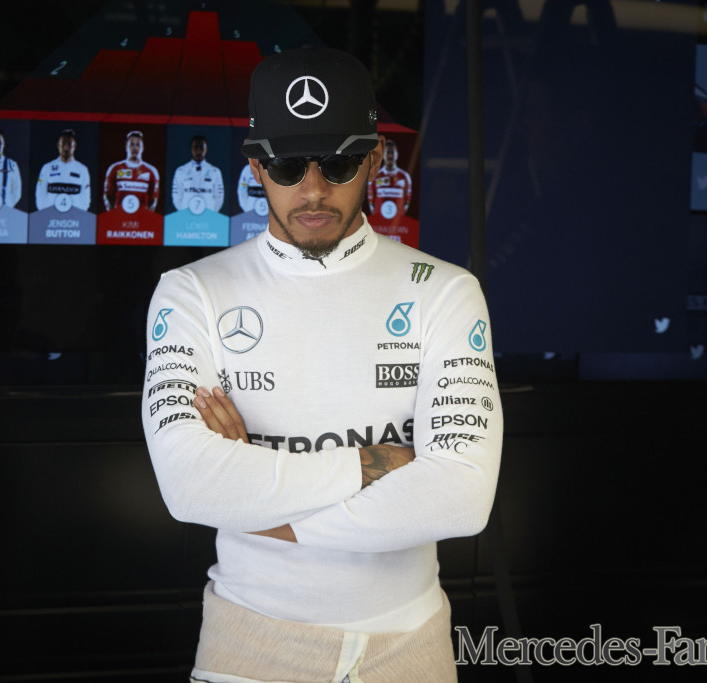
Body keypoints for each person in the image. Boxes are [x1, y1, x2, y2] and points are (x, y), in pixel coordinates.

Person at [142, 47, 502, 682]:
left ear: (375, 158)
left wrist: (256, 503)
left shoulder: (445, 291)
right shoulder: (190, 292)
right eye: (286, 165)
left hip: (412, 646)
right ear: (256, 166)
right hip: (248, 642)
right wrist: (377, 463)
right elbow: (191, 487)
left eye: (338, 163)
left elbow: (461, 501)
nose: (312, 189)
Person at [103, 130, 159, 212]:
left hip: (142, 217)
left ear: (143, 148)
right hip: (120, 216)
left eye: (138, 145)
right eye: (132, 144)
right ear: (126, 147)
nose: (135, 148)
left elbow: (154, 199)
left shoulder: (151, 171)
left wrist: (147, 216)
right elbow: (107, 196)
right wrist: (113, 215)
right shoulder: (115, 168)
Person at [35, 129, 91, 211]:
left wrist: (79, 213)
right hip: (51, 215)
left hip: (74, 216)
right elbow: (40, 192)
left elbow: (85, 197)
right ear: (58, 145)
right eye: (63, 144)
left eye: (69, 144)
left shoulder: (82, 170)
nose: (66, 148)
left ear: (75, 146)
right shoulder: (47, 168)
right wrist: (44, 212)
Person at [171, 135, 225, 213]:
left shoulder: (215, 172)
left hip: (208, 215)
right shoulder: (181, 171)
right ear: (191, 149)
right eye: (196, 147)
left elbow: (219, 197)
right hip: (186, 215)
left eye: (202, 148)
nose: (199, 151)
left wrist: (210, 212)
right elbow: (176, 197)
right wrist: (186, 212)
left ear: (206, 149)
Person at [367, 138, 413, 219]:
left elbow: (407, 200)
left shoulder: (405, 176)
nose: (390, 155)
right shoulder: (375, 176)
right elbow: (371, 201)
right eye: (387, 152)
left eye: (392, 152)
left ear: (397, 154)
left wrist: (401, 216)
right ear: (383, 155)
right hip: (379, 222)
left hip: (398, 222)